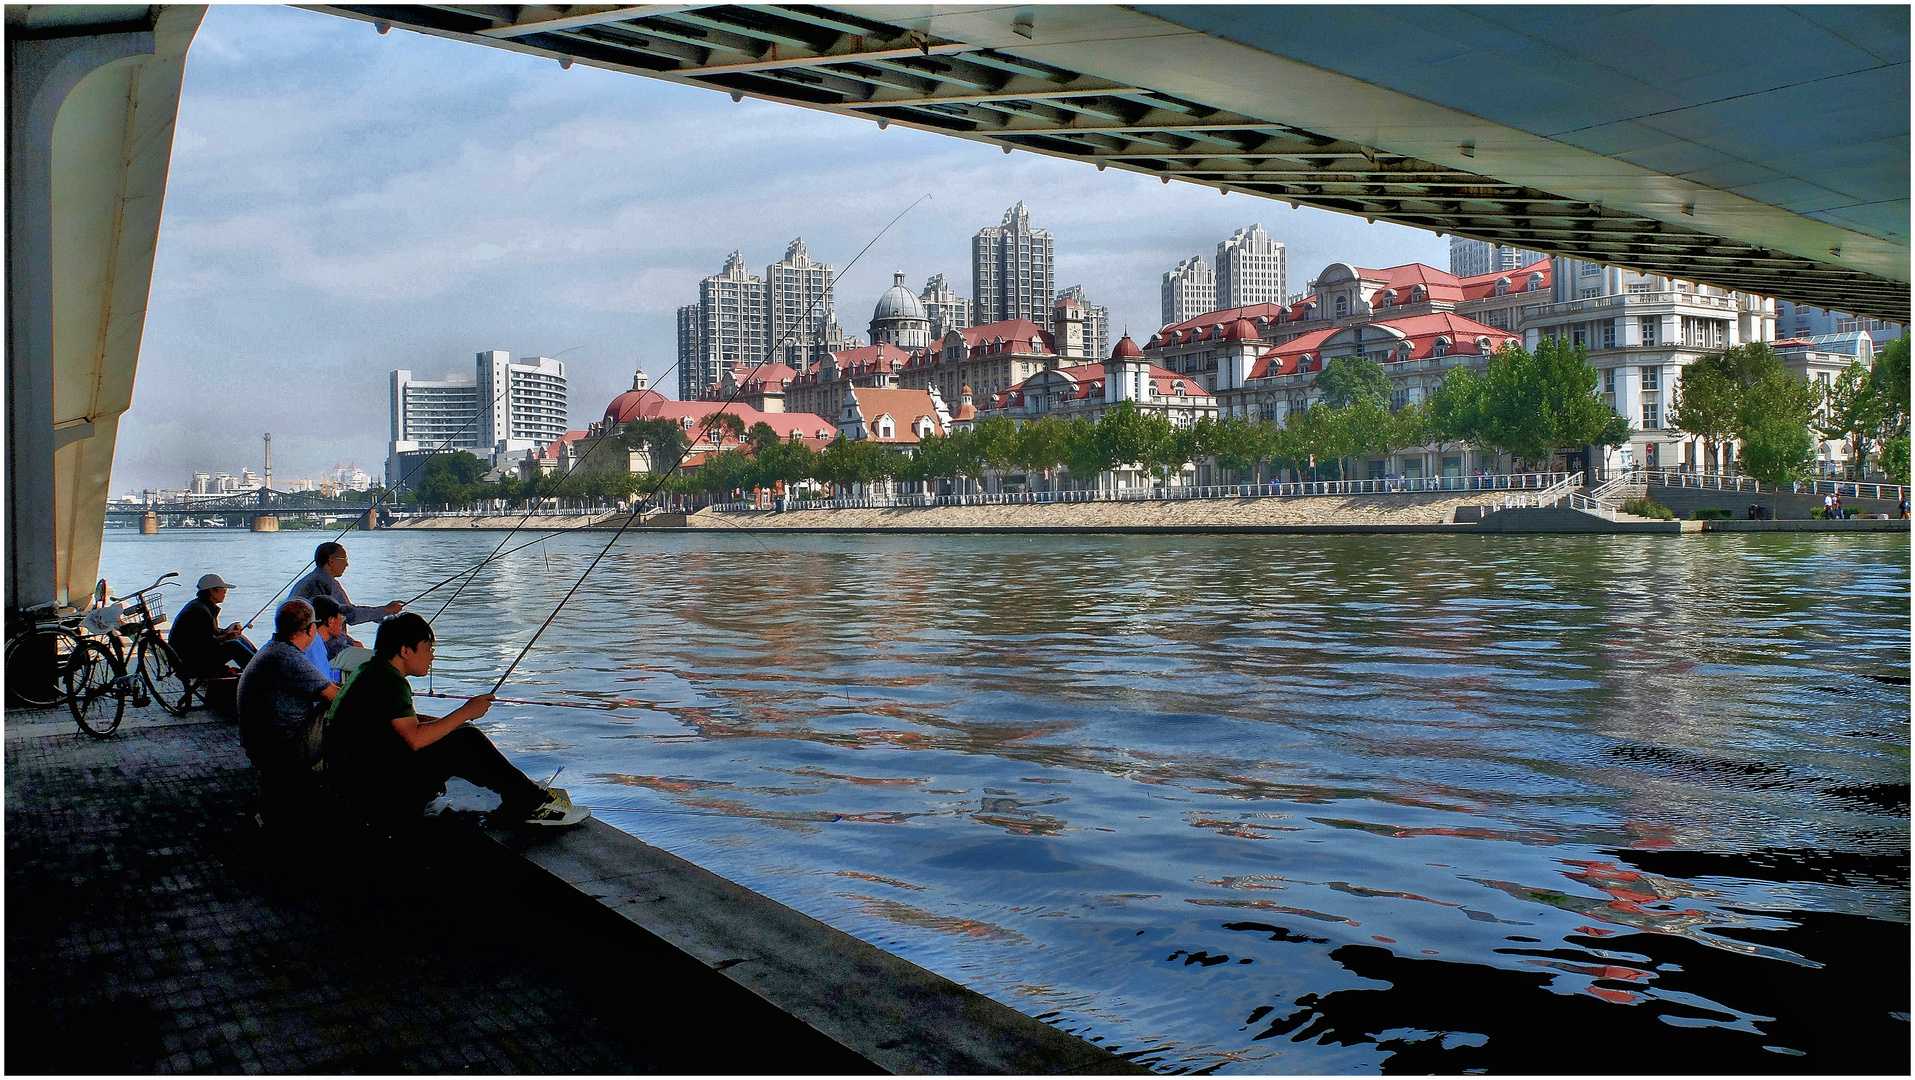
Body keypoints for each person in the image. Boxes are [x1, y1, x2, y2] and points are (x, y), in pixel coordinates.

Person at [322, 612, 580, 829]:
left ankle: (524, 799)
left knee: (461, 733)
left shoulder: (368, 671)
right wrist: (466, 711)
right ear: (405, 650)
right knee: (466, 740)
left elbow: (395, 722)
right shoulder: (388, 681)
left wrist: (453, 722)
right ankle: (535, 804)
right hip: (373, 793)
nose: (432, 656)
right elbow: (414, 739)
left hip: (350, 780)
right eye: (428, 649)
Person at [238, 601, 340, 813]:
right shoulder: (288, 657)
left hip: (262, 741)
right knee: (342, 708)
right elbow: (336, 697)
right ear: (310, 629)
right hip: (280, 747)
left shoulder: (274, 649)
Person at [290, 542, 405, 643]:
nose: (347, 564)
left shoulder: (309, 580)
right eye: (344, 559)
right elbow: (351, 615)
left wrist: (381, 616)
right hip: (316, 643)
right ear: (331, 561)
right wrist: (386, 610)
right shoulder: (325, 583)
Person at [168, 573, 257, 677]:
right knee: (234, 645)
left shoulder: (202, 606)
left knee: (239, 638)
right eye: (222, 589)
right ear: (212, 591)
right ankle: (259, 672)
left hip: (194, 655)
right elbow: (206, 643)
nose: (225, 592)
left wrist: (226, 631)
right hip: (192, 662)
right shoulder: (200, 611)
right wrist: (228, 637)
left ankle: (261, 664)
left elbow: (208, 632)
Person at [304, 595, 350, 682]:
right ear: (331, 620)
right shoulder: (315, 644)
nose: (342, 622)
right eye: (342, 617)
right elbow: (322, 683)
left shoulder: (312, 639)